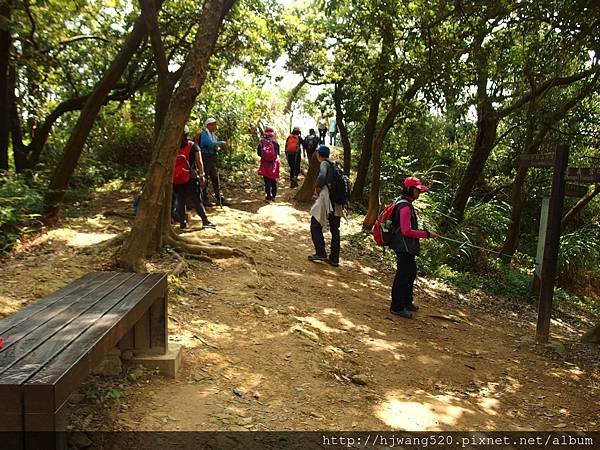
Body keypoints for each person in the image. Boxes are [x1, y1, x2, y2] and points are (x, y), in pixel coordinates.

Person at [388, 176, 437, 318]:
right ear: (409, 189)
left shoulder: (404, 202)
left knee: (411, 272)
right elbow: (406, 230)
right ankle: (397, 307)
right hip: (403, 246)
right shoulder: (405, 207)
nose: (419, 193)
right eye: (417, 190)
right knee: (403, 275)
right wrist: (426, 234)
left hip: (405, 245)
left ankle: (407, 302)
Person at [172, 126, 215, 230]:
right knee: (196, 200)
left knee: (180, 200)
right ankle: (205, 221)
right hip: (191, 177)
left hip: (177, 178)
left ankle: (183, 223)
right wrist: (202, 174)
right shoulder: (193, 146)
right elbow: (199, 162)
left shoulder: (173, 147)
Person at [308, 145, 343, 267]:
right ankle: (334, 259)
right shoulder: (335, 166)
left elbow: (322, 176)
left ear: (318, 154)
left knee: (315, 224)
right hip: (337, 201)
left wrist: (317, 187)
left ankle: (321, 253)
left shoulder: (324, 164)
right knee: (335, 230)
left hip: (327, 198)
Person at [199, 117, 229, 206]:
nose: (216, 126)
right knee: (206, 179)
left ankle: (219, 198)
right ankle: (204, 199)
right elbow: (211, 144)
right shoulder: (204, 135)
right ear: (209, 125)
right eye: (214, 124)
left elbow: (214, 145)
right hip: (206, 159)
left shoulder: (213, 135)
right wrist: (222, 143)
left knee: (215, 178)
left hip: (212, 158)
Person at [257, 126, 280, 202]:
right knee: (273, 179)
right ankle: (273, 196)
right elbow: (277, 153)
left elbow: (259, 153)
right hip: (274, 163)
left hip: (265, 163)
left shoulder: (262, 142)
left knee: (266, 180)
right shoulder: (275, 142)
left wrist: (265, 156)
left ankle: (268, 196)